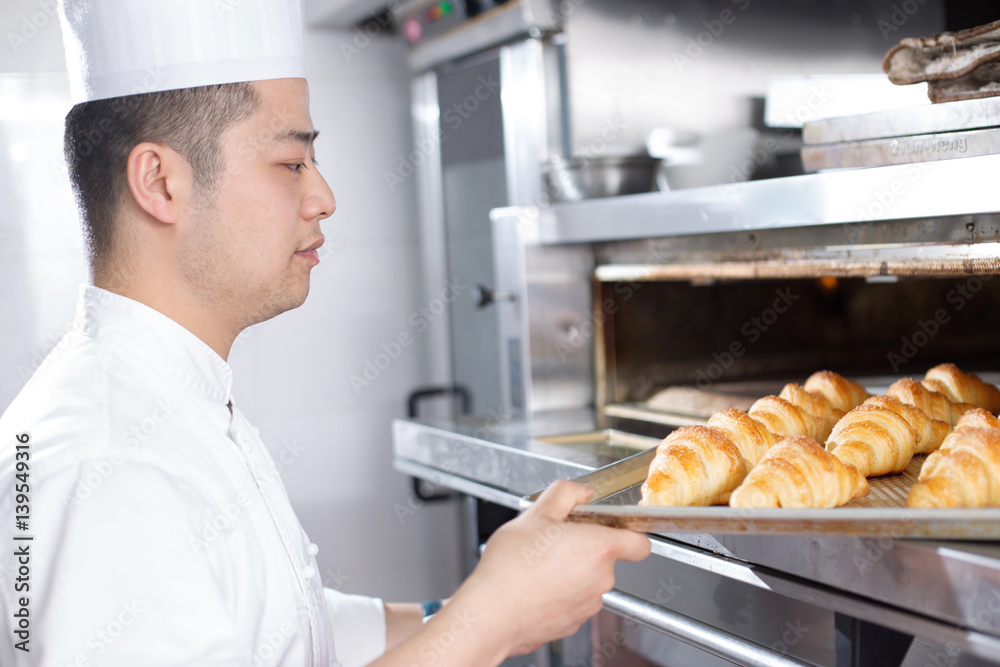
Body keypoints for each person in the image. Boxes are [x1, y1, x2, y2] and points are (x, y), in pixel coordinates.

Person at [0, 1, 651, 666]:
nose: (323, 197)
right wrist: (491, 617)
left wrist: (479, 603)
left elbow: (277, 627)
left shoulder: (170, 399)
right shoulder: (104, 463)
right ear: (160, 182)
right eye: (291, 163)